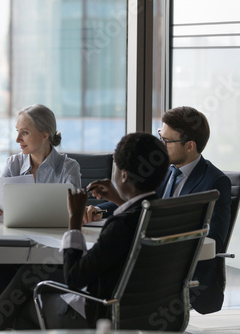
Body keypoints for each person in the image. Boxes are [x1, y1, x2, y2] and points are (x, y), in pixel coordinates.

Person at [0, 132, 170, 332]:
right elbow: (136, 219)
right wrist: (118, 200)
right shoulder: (163, 215)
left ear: (124, 176)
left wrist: (74, 219)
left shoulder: (118, 226)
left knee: (17, 306)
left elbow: (74, 278)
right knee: (27, 277)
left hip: (97, 313)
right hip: (144, 310)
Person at [86, 106, 231, 314]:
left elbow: (214, 238)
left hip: (181, 271)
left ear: (190, 145)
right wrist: (100, 211)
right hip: (147, 260)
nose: (160, 146)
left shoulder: (215, 182)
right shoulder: (161, 169)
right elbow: (132, 199)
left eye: (167, 141)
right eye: (160, 137)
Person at [0, 104, 81, 306]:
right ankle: (3, 324)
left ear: (45, 135)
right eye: (17, 132)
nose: (17, 140)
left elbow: (72, 212)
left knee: (23, 275)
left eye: (24, 133)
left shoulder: (68, 167)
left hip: (51, 249)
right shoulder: (13, 164)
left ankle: (8, 323)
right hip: (15, 242)